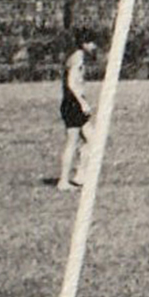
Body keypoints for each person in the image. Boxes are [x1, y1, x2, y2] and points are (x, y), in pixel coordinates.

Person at [57, 30, 98, 190]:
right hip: (73, 104)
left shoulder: (77, 57)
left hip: (74, 103)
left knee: (92, 139)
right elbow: (71, 83)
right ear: (84, 43)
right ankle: (63, 181)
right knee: (72, 143)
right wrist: (83, 103)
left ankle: (80, 175)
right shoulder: (78, 58)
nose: (94, 47)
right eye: (91, 43)